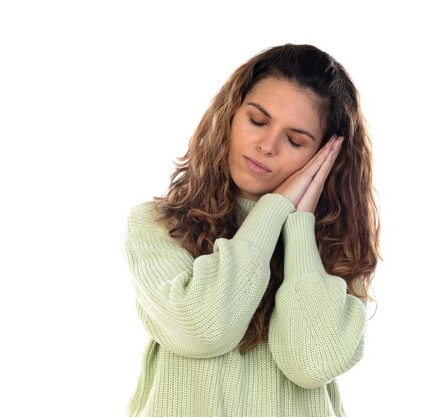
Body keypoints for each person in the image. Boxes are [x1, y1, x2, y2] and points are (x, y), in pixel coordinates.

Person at [124, 43, 380, 417]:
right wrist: (275, 208)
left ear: (323, 157)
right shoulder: (157, 225)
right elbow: (203, 327)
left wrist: (299, 224)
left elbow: (311, 363)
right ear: (230, 114)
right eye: (257, 121)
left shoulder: (335, 249)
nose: (266, 146)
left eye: (294, 140)